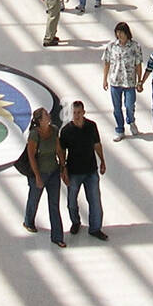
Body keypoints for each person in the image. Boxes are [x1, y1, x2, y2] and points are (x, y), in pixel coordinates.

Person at [60, 101, 108, 240]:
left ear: (84, 112)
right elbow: (62, 151)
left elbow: (97, 144)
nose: (76, 116)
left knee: (94, 201)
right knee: (71, 201)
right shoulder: (66, 131)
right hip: (74, 172)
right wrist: (63, 169)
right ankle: (75, 222)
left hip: (91, 170)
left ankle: (95, 228)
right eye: (74, 113)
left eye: (79, 113)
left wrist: (102, 161)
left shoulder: (91, 126)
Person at [22, 107, 67, 247]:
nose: (49, 116)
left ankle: (57, 236)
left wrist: (63, 167)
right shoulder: (34, 135)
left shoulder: (54, 130)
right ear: (40, 120)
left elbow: (59, 149)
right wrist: (37, 176)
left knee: (54, 204)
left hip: (53, 172)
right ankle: (29, 221)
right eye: (46, 115)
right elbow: (31, 156)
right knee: (34, 199)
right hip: (39, 173)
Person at [102, 22, 143, 141]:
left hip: (129, 81)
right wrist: (104, 79)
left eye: (121, 32)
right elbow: (107, 63)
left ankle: (131, 121)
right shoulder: (111, 46)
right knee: (117, 107)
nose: (119, 35)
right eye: (117, 32)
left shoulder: (135, 46)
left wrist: (139, 81)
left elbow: (138, 64)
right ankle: (120, 129)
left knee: (130, 105)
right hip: (115, 81)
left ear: (127, 33)